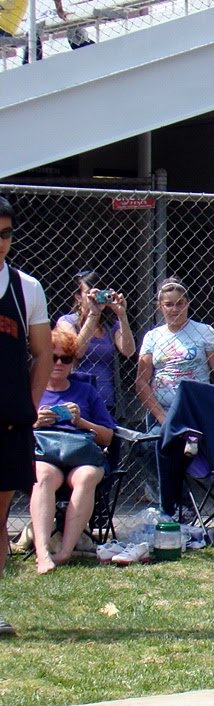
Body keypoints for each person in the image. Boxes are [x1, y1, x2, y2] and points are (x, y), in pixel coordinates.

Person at [0, 195, 53, 637]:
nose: (0, 243)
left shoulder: (26, 288)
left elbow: (42, 354)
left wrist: (30, 406)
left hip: (9, 421)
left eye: (5, 234)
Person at [30, 327, 115, 574]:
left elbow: (108, 436)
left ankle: (65, 552)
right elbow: (12, 428)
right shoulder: (33, 390)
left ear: (73, 361)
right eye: (53, 357)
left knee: (87, 476)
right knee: (43, 476)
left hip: (81, 453)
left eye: (65, 358)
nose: (58, 363)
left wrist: (81, 422)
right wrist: (34, 421)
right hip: (44, 451)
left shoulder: (86, 391)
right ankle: (43, 552)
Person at [135, 277, 214, 519]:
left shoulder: (203, 332)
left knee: (171, 446)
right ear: (160, 306)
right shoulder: (153, 337)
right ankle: (178, 504)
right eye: (168, 304)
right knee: (149, 445)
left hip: (193, 410)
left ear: (188, 304)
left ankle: (168, 509)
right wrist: (161, 415)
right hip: (162, 410)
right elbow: (141, 380)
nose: (174, 309)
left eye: (180, 303)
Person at [56, 269, 136, 412]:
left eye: (98, 292)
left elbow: (128, 350)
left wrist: (122, 315)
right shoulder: (67, 322)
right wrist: (94, 314)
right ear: (78, 297)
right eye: (89, 293)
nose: (94, 297)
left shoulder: (110, 326)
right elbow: (77, 351)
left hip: (107, 400)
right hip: (77, 399)